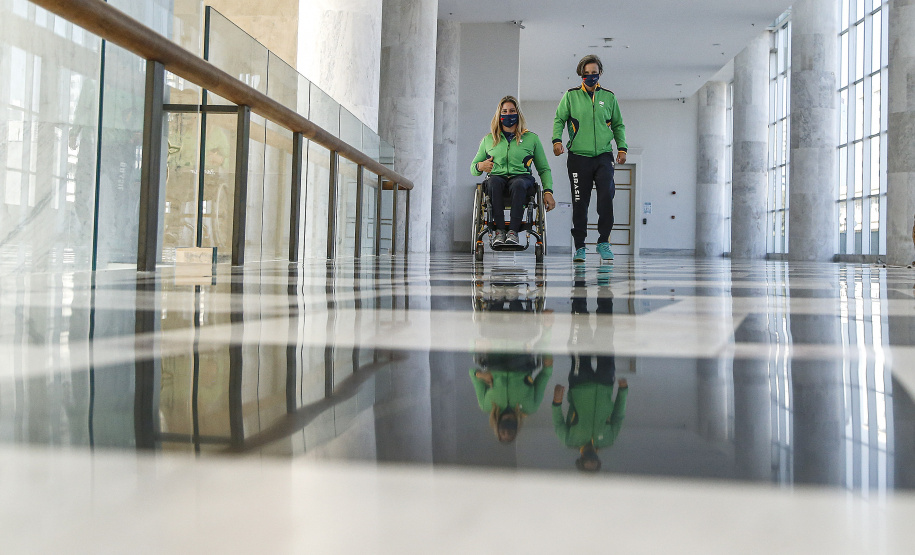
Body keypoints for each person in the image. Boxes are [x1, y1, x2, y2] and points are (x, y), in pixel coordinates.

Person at [552, 54, 628, 263]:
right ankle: (580, 246)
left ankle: (603, 242)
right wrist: (556, 141)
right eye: (586, 73)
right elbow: (559, 119)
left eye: (594, 73)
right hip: (578, 157)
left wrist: (622, 148)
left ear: (600, 73)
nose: (591, 76)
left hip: (603, 155)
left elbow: (618, 125)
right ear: (581, 74)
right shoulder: (571, 96)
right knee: (580, 202)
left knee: (606, 196)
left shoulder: (609, 97)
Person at [471, 95, 556, 247]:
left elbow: (543, 169)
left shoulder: (532, 139)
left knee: (518, 183)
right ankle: (499, 232)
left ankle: (513, 232)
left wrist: (548, 192)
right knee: (494, 182)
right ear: (499, 114)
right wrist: (480, 166)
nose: (508, 114)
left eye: (512, 111)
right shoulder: (488, 140)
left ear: (518, 114)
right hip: (497, 179)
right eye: (504, 111)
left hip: (522, 179)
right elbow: (474, 169)